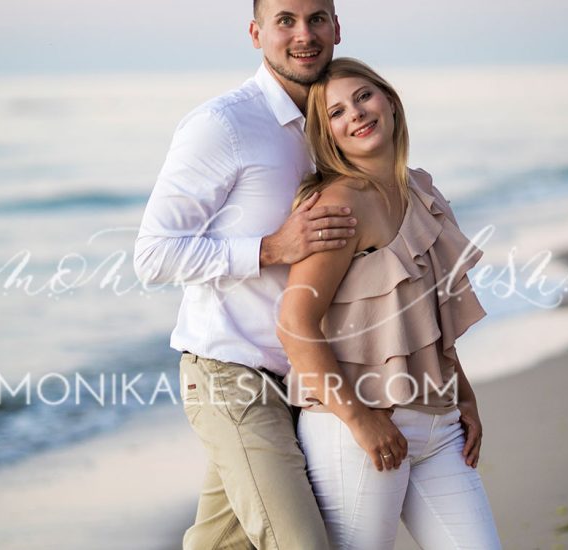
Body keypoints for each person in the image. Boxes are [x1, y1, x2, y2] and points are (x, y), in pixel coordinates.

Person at [133, 2, 400, 549]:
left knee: (219, 544)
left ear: (337, 27)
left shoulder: (336, 123)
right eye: (285, 21)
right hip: (233, 376)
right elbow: (153, 256)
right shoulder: (223, 125)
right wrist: (270, 248)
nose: (304, 34)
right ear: (256, 33)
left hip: (305, 382)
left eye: (317, 18)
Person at [277, 58, 503, 549]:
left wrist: (463, 393)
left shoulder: (421, 191)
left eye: (363, 97)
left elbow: (425, 319)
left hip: (439, 423)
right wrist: (359, 419)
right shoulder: (338, 205)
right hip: (357, 432)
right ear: (328, 135)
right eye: (336, 112)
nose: (356, 114)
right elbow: (295, 324)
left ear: (390, 102)